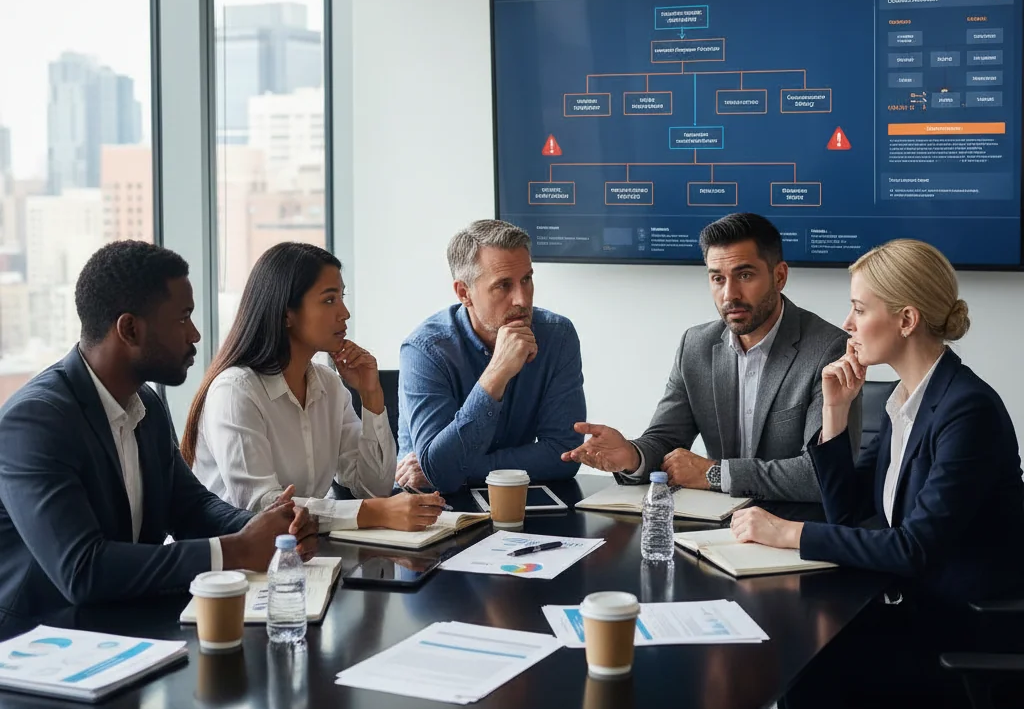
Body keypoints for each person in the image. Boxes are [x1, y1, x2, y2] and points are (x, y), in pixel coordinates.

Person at [728, 238, 1024, 709]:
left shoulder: (967, 410)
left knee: (804, 652)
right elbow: (851, 515)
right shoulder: (910, 402)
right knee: (799, 633)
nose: (848, 322)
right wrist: (835, 413)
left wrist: (787, 533)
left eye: (861, 308)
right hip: (922, 612)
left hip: (965, 637)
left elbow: (913, 548)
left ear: (907, 319)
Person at [0, 241, 317, 628]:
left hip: (126, 629)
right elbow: (82, 570)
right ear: (130, 329)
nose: (196, 335)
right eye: (183, 318)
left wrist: (269, 527)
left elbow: (189, 507)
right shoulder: (35, 422)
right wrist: (237, 549)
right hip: (40, 647)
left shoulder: (144, 403)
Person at [563, 213, 859, 501]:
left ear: (779, 276)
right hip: (714, 524)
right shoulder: (696, 345)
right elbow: (665, 440)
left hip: (792, 526)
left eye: (744, 275)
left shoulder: (828, 349)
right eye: (718, 278)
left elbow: (819, 475)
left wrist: (714, 473)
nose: (730, 294)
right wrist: (631, 455)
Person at [181, 243, 444, 532]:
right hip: (234, 565)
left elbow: (373, 488)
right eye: (329, 300)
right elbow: (262, 508)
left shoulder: (328, 384)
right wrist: (373, 513)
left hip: (303, 555)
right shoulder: (235, 391)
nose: (344, 313)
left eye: (342, 298)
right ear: (286, 314)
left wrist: (371, 396)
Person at [396, 219, 585, 493]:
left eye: (527, 280)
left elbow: (564, 455)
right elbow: (438, 477)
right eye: (504, 285)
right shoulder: (425, 349)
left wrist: (457, 469)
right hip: (430, 510)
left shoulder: (558, 336)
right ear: (464, 293)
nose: (522, 299)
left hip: (519, 501)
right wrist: (496, 373)